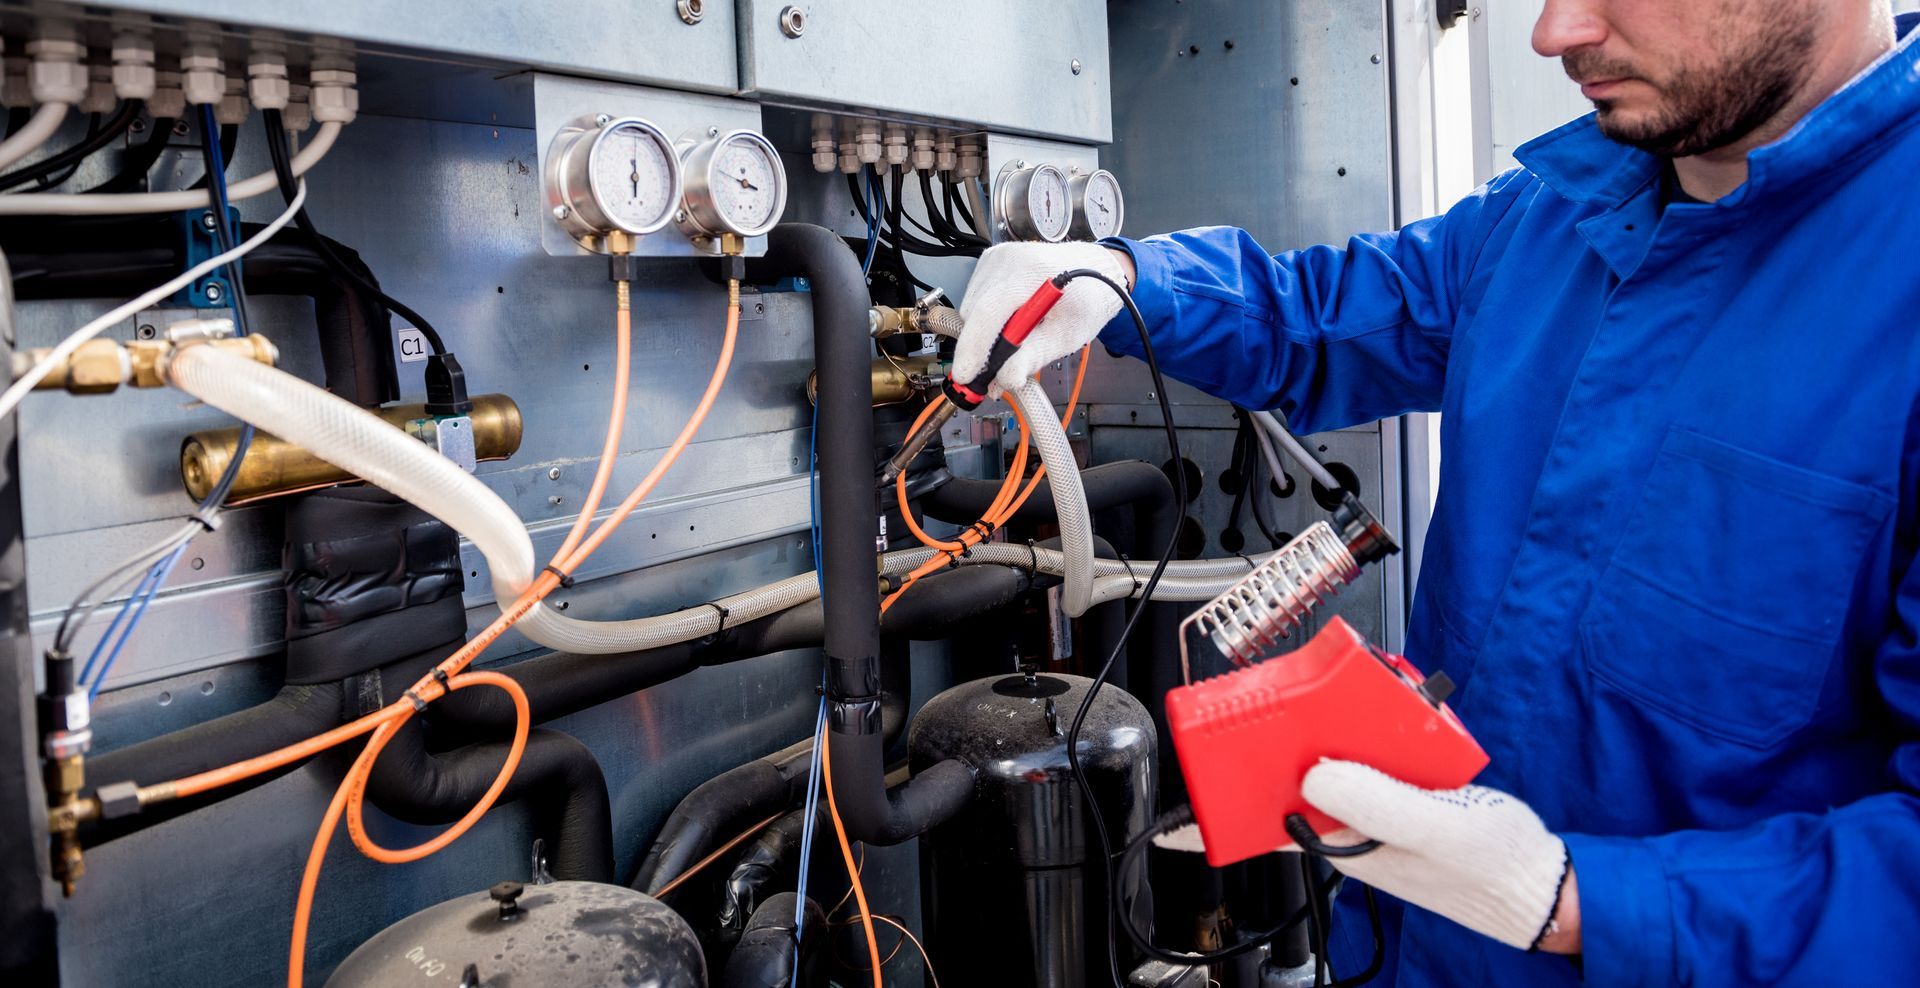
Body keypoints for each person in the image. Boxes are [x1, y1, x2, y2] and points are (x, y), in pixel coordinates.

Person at [951, 1, 1920, 984]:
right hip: (1408, 952)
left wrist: (1579, 902)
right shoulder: (1556, 212)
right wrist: (1123, 278)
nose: (1554, 33)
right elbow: (1323, 313)